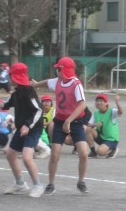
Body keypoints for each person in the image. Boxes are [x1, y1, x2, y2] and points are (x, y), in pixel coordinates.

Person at [31, 56, 89, 195]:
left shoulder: (76, 84)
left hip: (75, 122)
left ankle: (81, 181)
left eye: (58, 69)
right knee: (55, 155)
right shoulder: (57, 81)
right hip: (59, 122)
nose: (56, 71)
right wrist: (36, 84)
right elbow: (46, 83)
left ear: (64, 70)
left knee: (83, 153)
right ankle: (51, 184)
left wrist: (69, 121)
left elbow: (82, 104)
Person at [4, 62, 45, 198]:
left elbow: (39, 110)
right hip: (22, 128)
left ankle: (38, 185)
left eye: (10, 75)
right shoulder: (17, 92)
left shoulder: (28, 91)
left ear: (14, 76)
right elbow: (8, 104)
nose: (8, 78)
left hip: (33, 128)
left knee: (27, 157)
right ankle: (20, 184)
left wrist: (27, 125)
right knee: (10, 154)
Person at [87, 93, 123, 158]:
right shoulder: (96, 112)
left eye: (101, 101)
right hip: (102, 137)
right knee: (88, 129)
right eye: (97, 101)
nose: (98, 103)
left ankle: (113, 149)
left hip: (111, 139)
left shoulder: (112, 111)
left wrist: (117, 102)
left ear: (106, 103)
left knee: (100, 152)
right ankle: (93, 152)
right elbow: (89, 125)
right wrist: (95, 124)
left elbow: (120, 112)